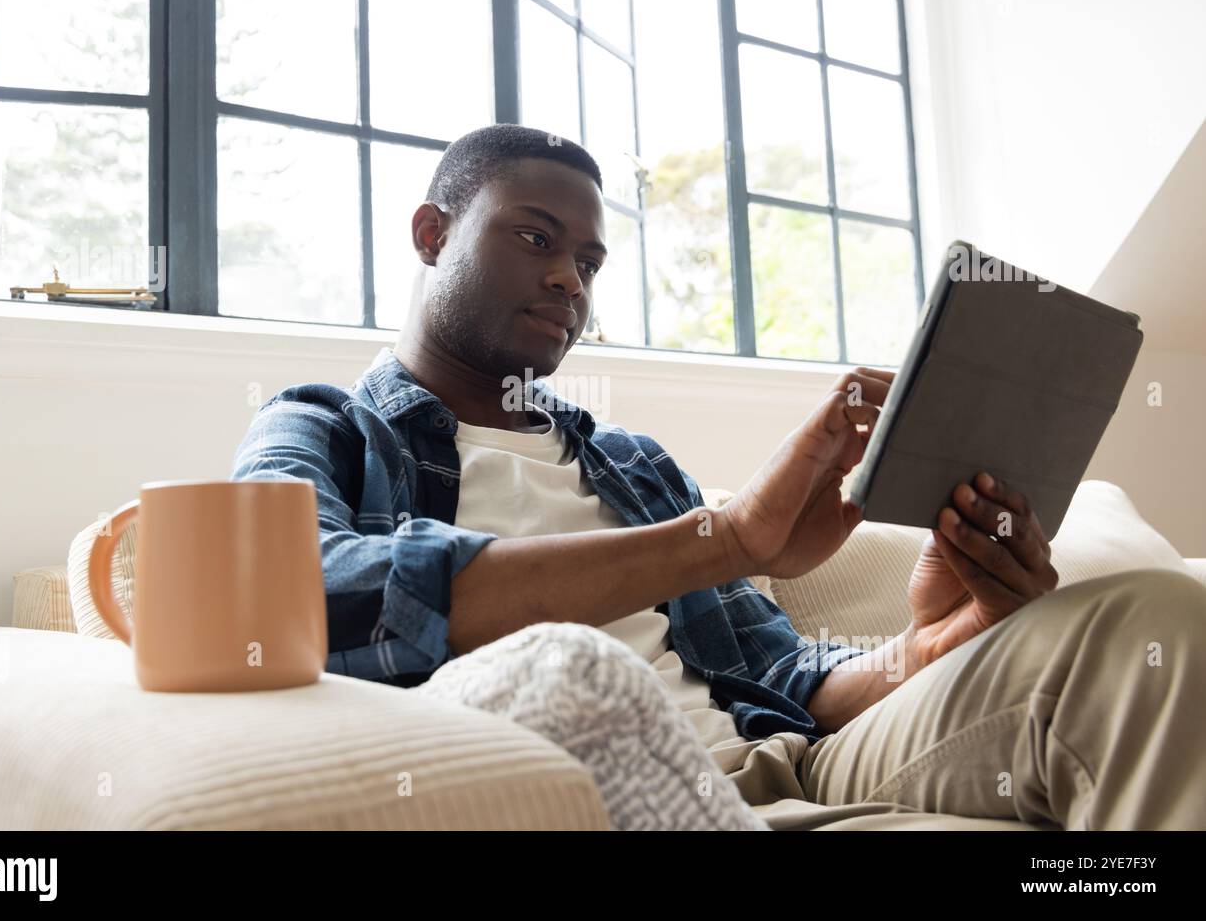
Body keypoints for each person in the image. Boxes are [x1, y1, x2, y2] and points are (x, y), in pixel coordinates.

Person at [231, 124, 1206, 830]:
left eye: (589, 260)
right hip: (579, 790)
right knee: (580, 672)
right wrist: (728, 536)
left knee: (1150, 620)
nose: (571, 279)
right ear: (431, 234)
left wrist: (939, 638)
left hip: (791, 770)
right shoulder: (323, 426)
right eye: (535, 237)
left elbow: (781, 681)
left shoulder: (629, 465)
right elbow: (301, 593)